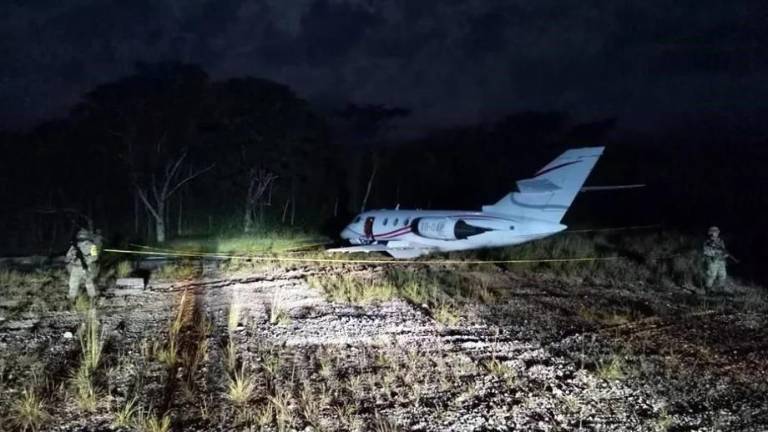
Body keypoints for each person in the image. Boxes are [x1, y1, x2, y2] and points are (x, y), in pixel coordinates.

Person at [66, 228, 100, 299]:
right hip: (75, 267)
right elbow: (67, 257)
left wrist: (87, 259)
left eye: (82, 235)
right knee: (73, 284)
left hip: (86, 267)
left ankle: (92, 298)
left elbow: (95, 256)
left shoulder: (92, 245)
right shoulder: (74, 246)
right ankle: (72, 298)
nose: (81, 237)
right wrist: (72, 256)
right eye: (80, 235)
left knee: (89, 283)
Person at [702, 226, 729, 291]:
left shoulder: (720, 241)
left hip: (721, 261)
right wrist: (715, 252)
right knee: (711, 275)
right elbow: (706, 251)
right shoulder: (708, 242)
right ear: (711, 233)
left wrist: (725, 255)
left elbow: (723, 250)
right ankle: (708, 289)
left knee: (723, 275)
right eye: (715, 232)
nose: (716, 233)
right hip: (712, 261)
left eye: (717, 232)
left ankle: (721, 289)